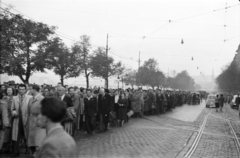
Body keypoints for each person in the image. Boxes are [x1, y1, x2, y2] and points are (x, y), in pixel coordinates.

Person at [11, 84, 32, 156]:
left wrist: (29, 118)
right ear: (18, 89)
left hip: (26, 119)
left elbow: (31, 109)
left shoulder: (30, 98)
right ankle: (16, 151)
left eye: (23, 89)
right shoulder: (14, 98)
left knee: (27, 135)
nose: (21, 91)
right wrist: (14, 113)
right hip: (17, 119)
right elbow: (12, 108)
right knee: (16, 136)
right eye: (20, 89)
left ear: (25, 90)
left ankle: (28, 149)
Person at [27, 85, 46, 156]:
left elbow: (43, 111)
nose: (29, 90)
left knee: (39, 139)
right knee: (32, 139)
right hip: (31, 120)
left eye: (30, 89)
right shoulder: (31, 99)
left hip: (38, 121)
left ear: (34, 90)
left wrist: (40, 120)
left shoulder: (42, 99)